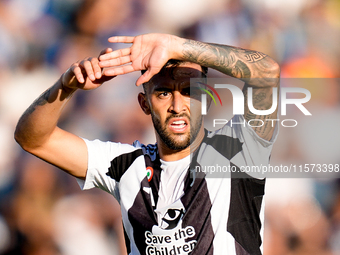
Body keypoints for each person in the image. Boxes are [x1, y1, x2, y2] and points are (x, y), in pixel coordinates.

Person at [15, 33, 280, 255]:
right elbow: (33, 139)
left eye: (189, 91)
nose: (177, 106)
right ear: (145, 104)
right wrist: (65, 87)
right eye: (164, 93)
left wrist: (175, 45)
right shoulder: (126, 164)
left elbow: (265, 72)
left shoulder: (237, 150)